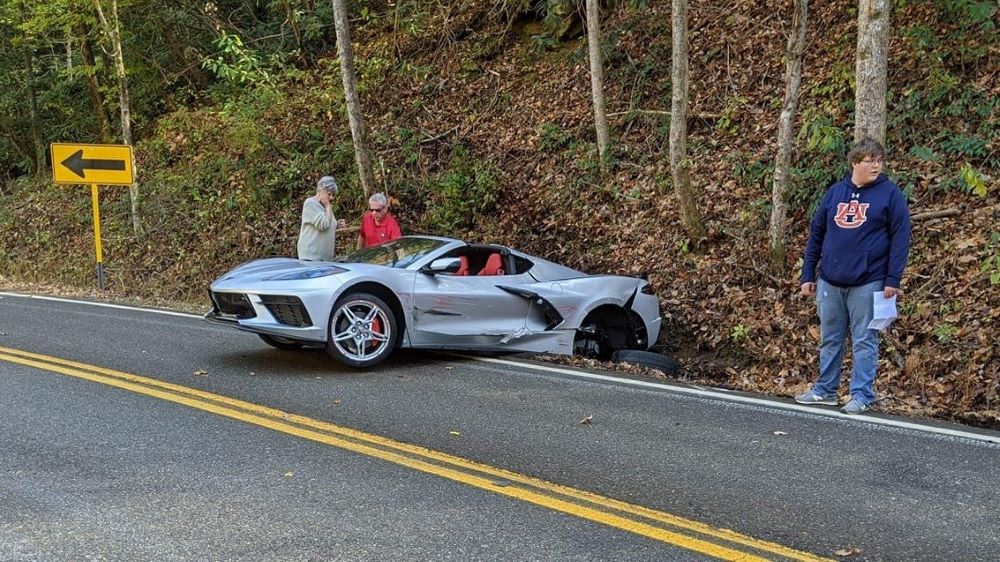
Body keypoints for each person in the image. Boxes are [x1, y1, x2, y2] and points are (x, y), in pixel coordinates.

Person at [796, 137, 911, 415]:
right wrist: (807, 273)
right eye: (870, 160)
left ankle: (862, 394)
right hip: (830, 280)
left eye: (879, 160)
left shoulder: (890, 194)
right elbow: (817, 233)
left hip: (869, 280)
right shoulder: (836, 192)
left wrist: (893, 279)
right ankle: (825, 390)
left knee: (864, 340)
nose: (876, 165)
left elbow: (901, 238)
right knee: (830, 338)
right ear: (855, 163)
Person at [297, 176, 346, 261]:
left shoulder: (325, 207)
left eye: (333, 195)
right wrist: (327, 205)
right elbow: (324, 225)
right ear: (320, 191)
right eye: (329, 194)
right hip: (311, 256)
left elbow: (328, 222)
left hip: (324, 258)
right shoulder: (310, 203)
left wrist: (337, 224)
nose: (331, 198)